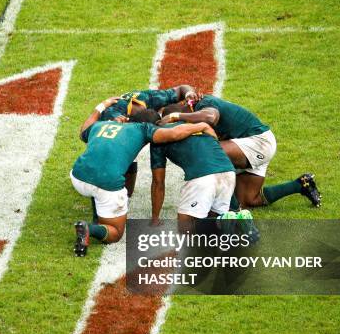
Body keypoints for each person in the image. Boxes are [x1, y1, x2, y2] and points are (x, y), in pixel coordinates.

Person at [71, 99, 216, 256]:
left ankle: (97, 216)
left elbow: (84, 130)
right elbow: (174, 133)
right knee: (115, 233)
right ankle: (90, 228)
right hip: (106, 184)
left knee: (100, 174)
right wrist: (201, 125)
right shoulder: (143, 129)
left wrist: (102, 106)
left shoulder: (102, 124)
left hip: (77, 177)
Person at [159, 95, 321, 209]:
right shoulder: (197, 109)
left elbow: (211, 118)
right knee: (250, 200)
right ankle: (301, 184)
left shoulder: (203, 104)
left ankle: (230, 211)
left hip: (258, 143)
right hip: (249, 145)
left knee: (210, 154)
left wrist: (175, 116)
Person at [152, 103, 258, 236]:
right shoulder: (199, 127)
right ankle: (236, 223)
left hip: (203, 177)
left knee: (185, 227)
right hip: (228, 172)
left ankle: (229, 226)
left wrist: (155, 218)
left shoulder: (159, 135)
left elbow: (158, 182)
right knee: (215, 218)